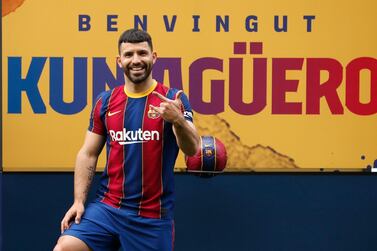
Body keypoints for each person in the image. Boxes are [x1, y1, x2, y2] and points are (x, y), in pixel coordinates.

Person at [53, 29, 199, 251]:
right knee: (65, 247)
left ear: (154, 57)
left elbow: (192, 148)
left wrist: (177, 119)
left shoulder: (174, 98)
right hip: (108, 209)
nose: (136, 60)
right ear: (119, 61)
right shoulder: (105, 101)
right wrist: (79, 201)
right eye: (129, 55)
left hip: (151, 217)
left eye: (142, 53)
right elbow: (88, 153)